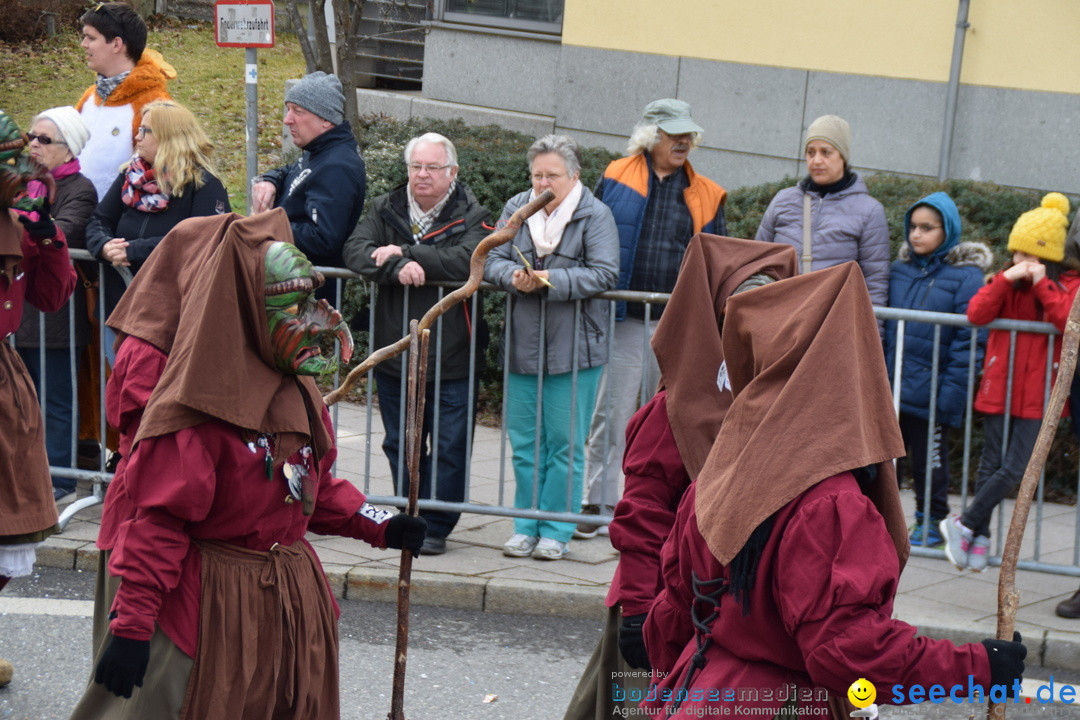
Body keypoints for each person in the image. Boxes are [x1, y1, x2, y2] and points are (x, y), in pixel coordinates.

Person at [67, 211, 426, 718]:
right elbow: (159, 521)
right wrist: (132, 626)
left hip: (287, 600)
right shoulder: (193, 406)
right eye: (292, 304)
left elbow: (310, 487)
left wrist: (382, 524)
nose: (313, 318)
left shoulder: (298, 389)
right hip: (208, 600)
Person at [642, 263, 1027, 718]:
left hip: (697, 694)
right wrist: (978, 667)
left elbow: (669, 618)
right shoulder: (830, 505)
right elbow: (850, 657)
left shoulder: (721, 468)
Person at [562, 235, 797, 720]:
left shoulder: (781, 402)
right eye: (743, 307)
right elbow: (642, 519)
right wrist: (637, 613)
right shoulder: (675, 410)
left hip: (737, 623)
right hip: (660, 609)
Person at [579, 99, 727, 537]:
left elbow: (716, 261)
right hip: (623, 318)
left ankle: (644, 507)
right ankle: (596, 502)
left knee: (661, 419)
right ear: (652, 135)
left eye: (688, 135)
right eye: (674, 134)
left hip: (678, 325)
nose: (684, 142)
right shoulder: (614, 175)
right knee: (613, 412)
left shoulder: (709, 193)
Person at [342, 133, 490, 556]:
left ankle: (439, 524)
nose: (421, 176)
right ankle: (411, 518)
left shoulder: (474, 214)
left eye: (431, 168)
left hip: (453, 353)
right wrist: (396, 266)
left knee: (448, 444)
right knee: (401, 442)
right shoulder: (385, 206)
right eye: (415, 167)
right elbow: (355, 249)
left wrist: (407, 252)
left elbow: (469, 258)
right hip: (397, 350)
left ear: (452, 173)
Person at [486, 134, 618, 561]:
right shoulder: (516, 207)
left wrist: (550, 282)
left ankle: (557, 530)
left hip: (575, 346)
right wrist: (512, 278)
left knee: (564, 442)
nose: (543, 183)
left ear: (574, 176)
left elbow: (604, 274)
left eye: (553, 175)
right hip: (524, 342)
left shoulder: (595, 215)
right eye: (537, 174)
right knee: (525, 441)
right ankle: (525, 526)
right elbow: (492, 258)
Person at [941, 193, 1080, 573]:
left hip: (1040, 395)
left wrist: (1040, 284)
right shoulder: (1005, 281)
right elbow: (977, 313)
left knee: (1016, 468)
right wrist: (1005, 279)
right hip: (1001, 386)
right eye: (1017, 253)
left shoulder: (1067, 284)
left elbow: (1067, 321)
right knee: (991, 466)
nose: (1021, 262)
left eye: (1030, 256)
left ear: (1049, 258)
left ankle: (964, 523)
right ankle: (978, 538)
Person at [0, 112, 77, 687]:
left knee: (11, 521)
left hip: (4, 382)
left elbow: (51, 298)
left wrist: (48, 236)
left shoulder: (27, 217)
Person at [883, 192, 991, 547]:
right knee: (886, 464)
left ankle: (931, 522)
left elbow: (969, 341)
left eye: (927, 228)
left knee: (930, 465)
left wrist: (950, 395)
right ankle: (885, 522)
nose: (916, 234)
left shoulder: (966, 277)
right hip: (892, 389)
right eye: (913, 226)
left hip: (932, 394)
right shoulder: (898, 271)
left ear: (948, 230)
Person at [13, 106, 98, 502]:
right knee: (17, 401)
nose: (33, 144)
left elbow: (61, 234)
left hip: (56, 314)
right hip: (16, 311)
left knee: (56, 401)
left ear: (68, 149)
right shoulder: (16, 183)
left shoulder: (80, 189)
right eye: (31, 136)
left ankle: (59, 480)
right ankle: (22, 475)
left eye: (44, 140)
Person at [85, 99, 230, 318]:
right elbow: (99, 220)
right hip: (118, 307)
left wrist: (132, 250)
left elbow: (201, 241)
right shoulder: (130, 176)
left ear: (168, 136)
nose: (137, 137)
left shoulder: (204, 185)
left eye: (144, 131)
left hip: (168, 315)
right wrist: (105, 246)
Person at [251, 70, 366, 300]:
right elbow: (291, 172)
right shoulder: (319, 152)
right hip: (291, 289)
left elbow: (323, 238)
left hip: (304, 303)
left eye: (298, 111)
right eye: (288, 109)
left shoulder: (337, 165)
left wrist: (266, 226)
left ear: (325, 119)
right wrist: (270, 181)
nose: (287, 119)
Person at [755, 114, 890, 308]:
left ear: (842, 156)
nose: (816, 160)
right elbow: (757, 261)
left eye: (826, 152)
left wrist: (871, 336)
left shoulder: (869, 211)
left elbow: (874, 284)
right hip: (779, 317)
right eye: (811, 152)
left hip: (831, 323)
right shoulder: (783, 200)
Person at [76, 1, 175, 201]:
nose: (83, 44)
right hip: (76, 218)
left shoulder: (154, 104)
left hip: (120, 226)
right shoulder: (89, 97)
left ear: (116, 44)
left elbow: (162, 176)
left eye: (91, 38)